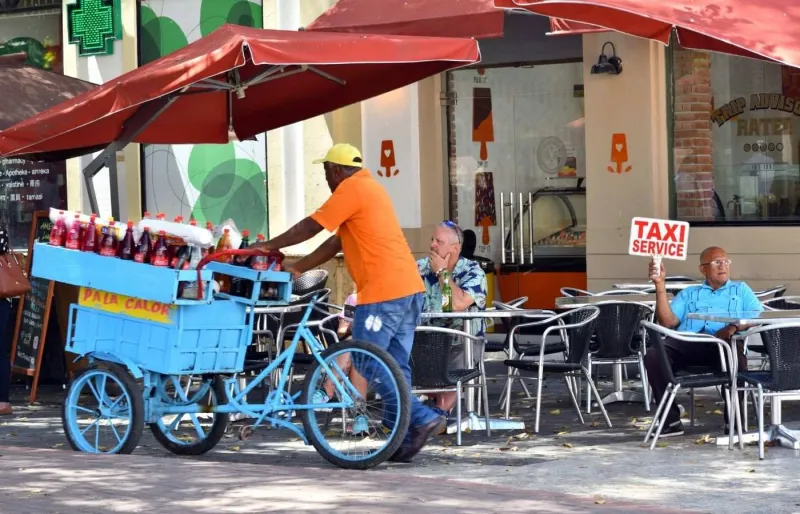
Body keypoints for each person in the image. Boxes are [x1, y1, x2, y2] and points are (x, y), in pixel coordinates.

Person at [252, 143, 443, 462]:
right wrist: (299, 267)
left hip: (383, 293)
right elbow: (336, 242)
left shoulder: (351, 188)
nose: (327, 180)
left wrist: (268, 246)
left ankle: (422, 417)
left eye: (326, 173)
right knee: (395, 366)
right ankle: (403, 436)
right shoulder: (371, 188)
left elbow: (312, 225)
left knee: (368, 362)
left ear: (336, 170)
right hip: (409, 289)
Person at [644, 246, 762, 437]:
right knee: (654, 355)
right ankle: (671, 421)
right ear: (703, 269)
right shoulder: (690, 293)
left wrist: (734, 326)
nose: (723, 266)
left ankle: (734, 421)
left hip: (723, 343)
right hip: (687, 342)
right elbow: (668, 322)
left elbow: (756, 316)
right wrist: (660, 284)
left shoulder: (741, 290)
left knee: (737, 360)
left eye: (725, 261)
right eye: (717, 262)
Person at [417, 221, 487, 417]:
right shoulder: (419, 268)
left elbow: (454, 305)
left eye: (439, 241)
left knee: (461, 357)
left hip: (461, 341)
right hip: (423, 341)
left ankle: (437, 416)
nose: (432, 245)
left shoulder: (473, 272)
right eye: (432, 240)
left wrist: (442, 273)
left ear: (455, 248)